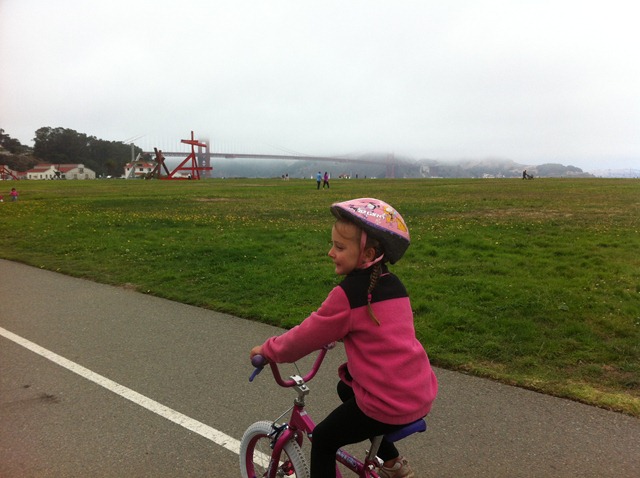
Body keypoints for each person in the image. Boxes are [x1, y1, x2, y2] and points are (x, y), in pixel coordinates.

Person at [250, 198, 438, 478]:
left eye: (339, 247)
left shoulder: (347, 296)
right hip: (417, 391)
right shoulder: (394, 285)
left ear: (367, 254)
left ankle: (388, 461)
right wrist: (340, 331)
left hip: (387, 402)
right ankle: (393, 463)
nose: (330, 252)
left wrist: (267, 350)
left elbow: (302, 338)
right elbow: (380, 333)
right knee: (345, 388)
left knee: (323, 439)